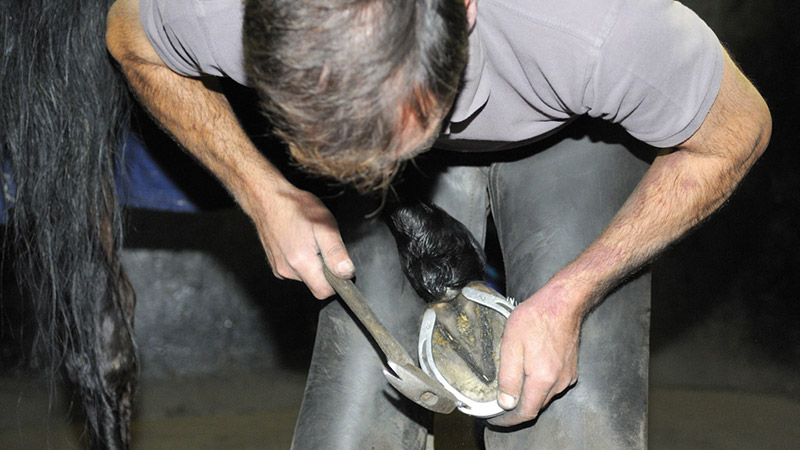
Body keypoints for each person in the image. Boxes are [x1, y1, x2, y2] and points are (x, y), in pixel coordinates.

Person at [106, 0, 771, 448]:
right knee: (347, 423)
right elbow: (129, 35)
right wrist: (264, 192)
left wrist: (571, 294)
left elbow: (737, 133)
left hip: (577, 131)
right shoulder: (225, 10)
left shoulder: (602, 27)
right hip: (404, 156)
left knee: (573, 419)